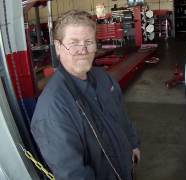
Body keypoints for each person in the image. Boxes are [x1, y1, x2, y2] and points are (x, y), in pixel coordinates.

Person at [31, 10, 141, 180]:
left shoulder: (103, 78)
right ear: (59, 47)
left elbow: (121, 116)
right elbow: (73, 175)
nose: (83, 50)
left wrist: (133, 144)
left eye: (88, 41)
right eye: (74, 43)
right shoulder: (52, 110)